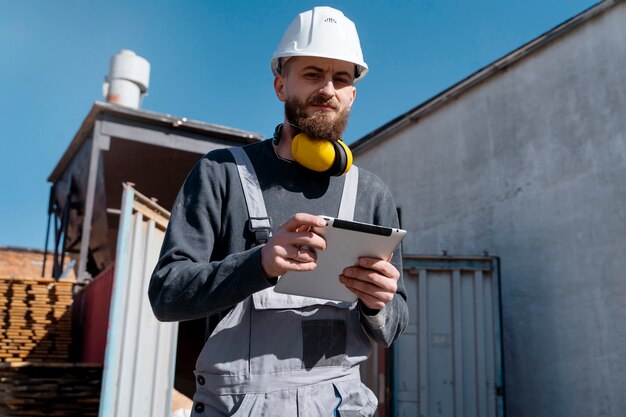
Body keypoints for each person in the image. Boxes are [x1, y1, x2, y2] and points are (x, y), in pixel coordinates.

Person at [149, 6, 408, 416]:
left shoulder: (371, 193)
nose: (328, 88)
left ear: (352, 95)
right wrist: (260, 263)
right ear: (280, 86)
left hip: (339, 405)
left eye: (341, 78)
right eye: (312, 74)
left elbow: (393, 325)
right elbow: (166, 294)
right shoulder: (222, 174)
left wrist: (379, 304)